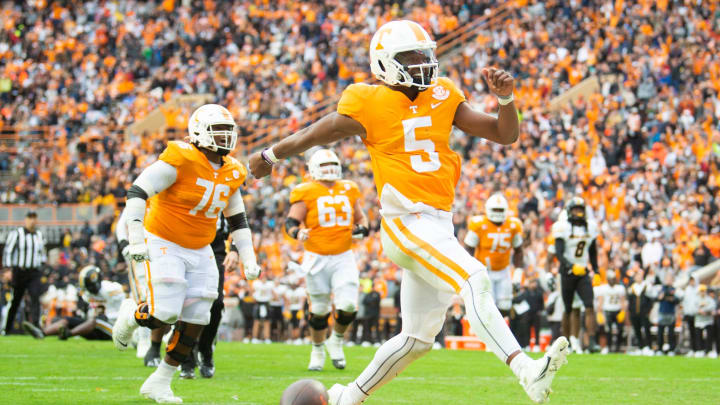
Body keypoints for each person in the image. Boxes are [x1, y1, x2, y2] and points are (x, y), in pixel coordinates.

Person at [249, 20, 568, 405]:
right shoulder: (366, 100)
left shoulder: (443, 93)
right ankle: (525, 370)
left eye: (426, 55)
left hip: (437, 223)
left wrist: (505, 100)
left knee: (416, 340)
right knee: (475, 278)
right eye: (411, 57)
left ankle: (343, 398)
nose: (422, 63)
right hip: (406, 220)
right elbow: (317, 133)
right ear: (384, 63)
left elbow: (504, 134)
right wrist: (270, 154)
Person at [111, 104, 262, 404]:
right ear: (198, 131)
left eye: (228, 131)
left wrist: (249, 256)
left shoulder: (233, 169)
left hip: (201, 246)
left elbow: (238, 219)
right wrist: (137, 237)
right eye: (218, 131)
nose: (225, 137)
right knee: (163, 314)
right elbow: (137, 191)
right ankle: (131, 314)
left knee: (198, 316)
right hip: (164, 240)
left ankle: (161, 382)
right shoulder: (181, 157)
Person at [285, 148, 368, 371]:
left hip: (343, 255)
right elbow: (291, 223)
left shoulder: (349, 188)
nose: (329, 169)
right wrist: (297, 233)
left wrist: (362, 229)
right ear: (313, 169)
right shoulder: (306, 190)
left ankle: (337, 340)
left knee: (349, 304)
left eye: (332, 163)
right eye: (323, 165)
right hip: (316, 256)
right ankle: (317, 349)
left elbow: (362, 219)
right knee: (319, 308)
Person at [180, 214, 240, 379]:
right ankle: (186, 357)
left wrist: (234, 250)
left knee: (215, 303)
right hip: (183, 245)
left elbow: (238, 221)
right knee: (184, 304)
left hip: (214, 247)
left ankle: (205, 349)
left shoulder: (225, 189)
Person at [23, 265, 124, 341]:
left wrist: (108, 316)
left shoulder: (112, 289)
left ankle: (68, 334)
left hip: (113, 328)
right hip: (94, 327)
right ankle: (42, 332)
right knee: (68, 320)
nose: (88, 290)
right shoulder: (88, 294)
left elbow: (122, 309)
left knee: (96, 320)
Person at [553, 196, 600, 354]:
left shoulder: (591, 227)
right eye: (576, 209)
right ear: (569, 211)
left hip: (583, 272)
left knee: (589, 304)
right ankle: (564, 343)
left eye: (581, 209)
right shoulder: (562, 227)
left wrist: (597, 270)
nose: (579, 212)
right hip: (567, 272)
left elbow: (593, 251)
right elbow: (558, 253)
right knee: (567, 308)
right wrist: (571, 266)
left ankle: (592, 341)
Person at [464, 193, 523, 317]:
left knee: (505, 307)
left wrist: (517, 275)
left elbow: (519, 251)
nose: (497, 212)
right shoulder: (479, 224)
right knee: (487, 306)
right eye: (495, 209)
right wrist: (470, 270)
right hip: (485, 270)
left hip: (504, 270)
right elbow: (468, 248)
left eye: (500, 210)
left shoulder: (513, 225)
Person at [3, 210, 47, 334]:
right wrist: (8, 269)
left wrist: (42, 267)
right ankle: (6, 328)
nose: (32, 220)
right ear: (25, 220)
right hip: (20, 271)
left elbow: (42, 253)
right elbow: (8, 251)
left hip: (34, 272)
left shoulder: (39, 235)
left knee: (35, 298)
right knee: (15, 300)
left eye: (34, 217)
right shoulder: (17, 233)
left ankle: (36, 327)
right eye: (30, 218)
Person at [595, 271, 626, 353]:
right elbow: (600, 301)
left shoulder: (620, 288)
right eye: (610, 279)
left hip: (617, 310)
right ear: (607, 279)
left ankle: (617, 347)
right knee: (607, 330)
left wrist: (623, 311)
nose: (612, 280)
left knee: (620, 330)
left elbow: (623, 301)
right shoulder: (603, 288)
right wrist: (599, 312)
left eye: (613, 279)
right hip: (607, 310)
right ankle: (608, 347)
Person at [695, 284, 716, 358]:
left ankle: (708, 350)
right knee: (698, 336)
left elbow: (712, 306)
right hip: (698, 320)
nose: (702, 292)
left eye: (704, 291)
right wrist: (699, 311)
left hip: (708, 320)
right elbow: (692, 308)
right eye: (701, 291)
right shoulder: (696, 299)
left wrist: (703, 310)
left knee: (709, 336)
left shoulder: (709, 299)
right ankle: (700, 350)